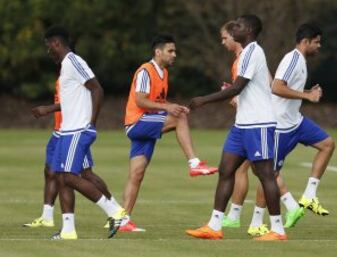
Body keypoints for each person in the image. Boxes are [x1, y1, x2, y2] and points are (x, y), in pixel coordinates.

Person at [186, 15, 287, 241]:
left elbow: (237, 88)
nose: (234, 28)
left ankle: (278, 230)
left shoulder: (253, 51)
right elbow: (239, 89)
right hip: (242, 124)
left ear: (249, 30)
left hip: (259, 123)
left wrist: (204, 99)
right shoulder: (245, 53)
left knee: (265, 175)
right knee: (226, 170)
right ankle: (214, 226)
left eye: (239, 26)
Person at [120, 34, 218, 232]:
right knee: (179, 118)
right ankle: (194, 163)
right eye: (170, 51)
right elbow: (140, 100)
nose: (175, 54)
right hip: (137, 122)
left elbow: (159, 103)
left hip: (147, 123)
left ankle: (122, 220)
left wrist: (175, 107)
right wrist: (170, 109)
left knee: (137, 174)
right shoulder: (145, 71)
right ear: (158, 52)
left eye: (175, 51)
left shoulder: (163, 73)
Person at [249, 23, 335, 228]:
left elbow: (287, 88)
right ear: (305, 42)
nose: (319, 46)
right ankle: (256, 223)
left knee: (327, 144)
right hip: (280, 127)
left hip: (295, 121)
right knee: (269, 175)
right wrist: (307, 95)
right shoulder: (292, 59)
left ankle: (309, 196)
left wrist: (306, 91)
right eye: (317, 42)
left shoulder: (301, 61)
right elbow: (277, 87)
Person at [44, 25, 125, 240]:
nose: (48, 51)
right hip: (67, 131)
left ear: (56, 44)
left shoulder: (73, 61)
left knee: (69, 177)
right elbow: (74, 99)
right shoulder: (65, 67)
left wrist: (91, 124)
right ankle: (68, 230)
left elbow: (97, 89)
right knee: (62, 178)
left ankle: (114, 212)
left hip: (78, 130)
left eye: (48, 46)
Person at [24, 78, 118, 229]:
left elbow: (77, 103)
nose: (50, 53)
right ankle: (47, 217)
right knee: (50, 171)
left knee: (83, 175)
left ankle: (116, 211)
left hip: (73, 132)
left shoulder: (75, 74)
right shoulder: (63, 75)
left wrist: (48, 109)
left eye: (53, 52)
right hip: (60, 131)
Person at [216, 21, 252, 231]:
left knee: (264, 172)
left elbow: (253, 94)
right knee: (257, 170)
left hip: (253, 123)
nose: (222, 42)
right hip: (246, 122)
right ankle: (232, 216)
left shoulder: (243, 60)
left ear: (234, 36)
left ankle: (240, 217)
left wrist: (231, 96)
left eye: (224, 38)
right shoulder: (241, 59)